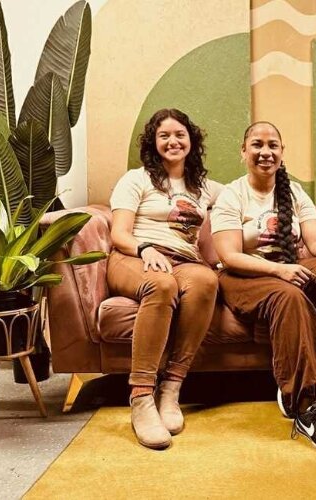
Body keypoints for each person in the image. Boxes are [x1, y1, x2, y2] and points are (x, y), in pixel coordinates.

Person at [211, 121, 316, 453]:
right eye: (257, 144)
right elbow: (229, 255)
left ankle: (299, 378)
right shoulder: (232, 194)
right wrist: (279, 270)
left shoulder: (294, 192)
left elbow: (315, 240)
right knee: (291, 296)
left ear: (282, 152)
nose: (265, 152)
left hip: (287, 270)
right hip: (243, 276)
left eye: (272, 145)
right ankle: (306, 406)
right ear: (243, 151)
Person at [108, 108, 220, 450]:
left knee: (206, 281)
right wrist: (144, 249)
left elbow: (247, 194)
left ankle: (171, 388)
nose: (173, 141)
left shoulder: (203, 187)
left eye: (179, 134)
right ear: (153, 143)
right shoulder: (136, 179)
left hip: (183, 261)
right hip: (134, 256)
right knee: (162, 284)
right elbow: (119, 234)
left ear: (191, 140)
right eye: (164, 135)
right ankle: (142, 397)